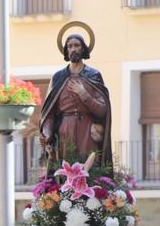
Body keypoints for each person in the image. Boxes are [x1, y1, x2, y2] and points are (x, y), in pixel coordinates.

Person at [40, 32, 111, 165]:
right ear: (66, 50)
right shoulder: (58, 77)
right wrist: (47, 132)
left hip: (87, 130)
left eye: (77, 45)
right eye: (70, 46)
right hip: (64, 130)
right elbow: (49, 112)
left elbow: (102, 110)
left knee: (89, 170)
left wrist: (83, 93)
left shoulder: (93, 75)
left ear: (83, 48)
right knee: (65, 170)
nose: (73, 49)